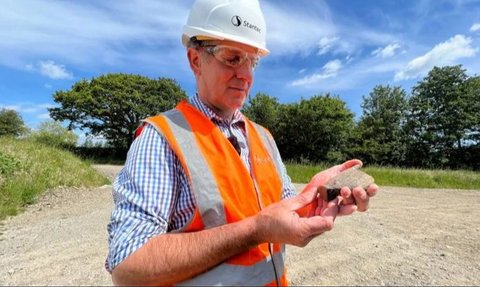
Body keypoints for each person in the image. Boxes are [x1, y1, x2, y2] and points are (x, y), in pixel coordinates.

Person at [105, 0, 378, 285]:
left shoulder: (263, 138)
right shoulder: (162, 137)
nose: (246, 75)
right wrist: (255, 230)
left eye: (252, 61)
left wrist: (316, 198)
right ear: (196, 60)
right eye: (232, 58)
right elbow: (129, 264)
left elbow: (284, 215)